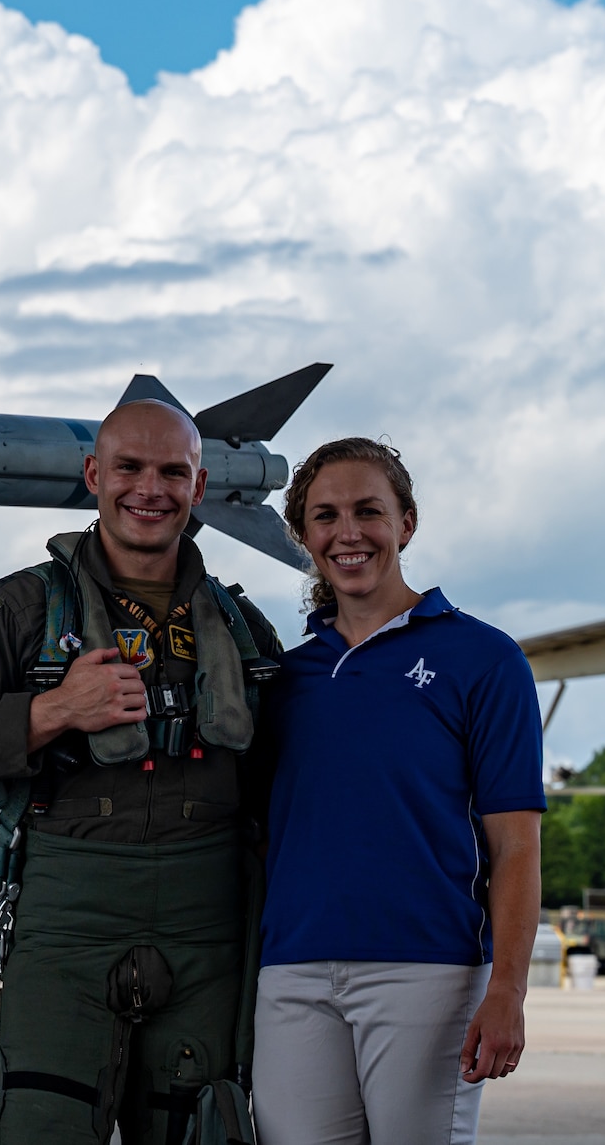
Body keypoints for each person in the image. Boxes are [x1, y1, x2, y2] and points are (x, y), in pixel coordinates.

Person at [0, 398, 283, 1145]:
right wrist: (55, 711)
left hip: (207, 932)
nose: (151, 488)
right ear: (93, 476)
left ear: (198, 487)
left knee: (204, 1129)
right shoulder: (17, 611)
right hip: (68, 924)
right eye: (130, 468)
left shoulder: (242, 629)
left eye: (174, 471)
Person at [251, 438, 544, 1145]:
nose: (347, 533)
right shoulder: (282, 679)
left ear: (406, 522)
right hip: (291, 973)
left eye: (368, 511)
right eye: (325, 515)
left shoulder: (483, 658)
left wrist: (507, 986)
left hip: (428, 974)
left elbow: (516, 845)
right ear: (303, 535)